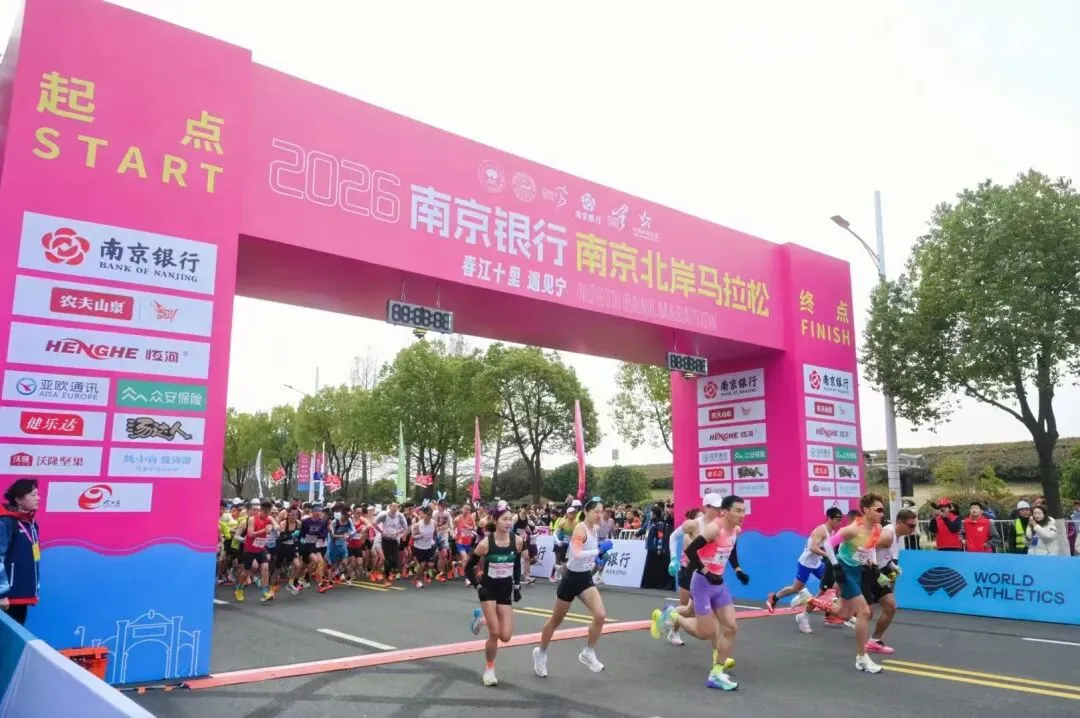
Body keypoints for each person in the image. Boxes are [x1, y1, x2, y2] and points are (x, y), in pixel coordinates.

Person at [650, 494, 749, 691]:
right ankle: (674, 616)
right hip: (702, 583)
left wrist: (738, 570)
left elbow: (731, 550)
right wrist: (705, 571)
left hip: (719, 584)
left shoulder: (736, 530)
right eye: (738, 511)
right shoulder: (714, 528)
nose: (742, 514)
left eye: (744, 511)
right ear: (725, 512)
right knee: (705, 631)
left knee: (731, 627)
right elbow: (690, 551)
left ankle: (716, 674)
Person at [532, 497, 612, 678]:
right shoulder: (580, 528)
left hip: (585, 578)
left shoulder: (595, 529)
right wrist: (598, 551)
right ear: (586, 511)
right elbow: (576, 553)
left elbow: (588, 554)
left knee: (600, 615)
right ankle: (541, 653)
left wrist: (598, 557)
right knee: (555, 620)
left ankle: (588, 652)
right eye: (596, 511)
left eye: (601, 512)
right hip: (570, 579)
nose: (599, 515)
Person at [828, 493, 886, 674]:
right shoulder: (853, 529)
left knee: (844, 613)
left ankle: (813, 601)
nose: (881, 513)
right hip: (844, 570)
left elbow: (871, 546)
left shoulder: (877, 528)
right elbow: (828, 544)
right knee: (864, 612)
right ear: (866, 510)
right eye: (878, 510)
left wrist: (874, 564)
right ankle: (862, 658)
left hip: (857, 570)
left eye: (883, 510)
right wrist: (836, 566)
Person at [465, 507, 524, 686]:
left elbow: (516, 564)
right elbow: (468, 568)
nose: (508, 522)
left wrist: (517, 587)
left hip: (505, 589)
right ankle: (489, 669)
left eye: (510, 519)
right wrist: (478, 586)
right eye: (504, 519)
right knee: (495, 632)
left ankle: (481, 618)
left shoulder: (518, 541)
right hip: (488, 589)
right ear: (496, 521)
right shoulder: (485, 544)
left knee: (505, 636)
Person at [765, 506, 844, 632]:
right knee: (796, 588)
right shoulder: (821, 530)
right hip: (806, 563)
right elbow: (813, 548)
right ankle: (775, 597)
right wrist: (828, 555)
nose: (839, 523)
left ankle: (826, 613)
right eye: (837, 520)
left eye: (841, 520)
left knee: (830, 586)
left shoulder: (832, 532)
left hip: (817, 564)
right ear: (829, 518)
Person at [0, 478, 41, 626]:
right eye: (33, 495)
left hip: (21, 597)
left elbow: (34, 557)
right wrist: (1, 593)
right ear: (18, 499)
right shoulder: (5, 522)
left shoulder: (31, 523)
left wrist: (33, 589)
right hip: (6, 599)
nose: (38, 498)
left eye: (38, 494)